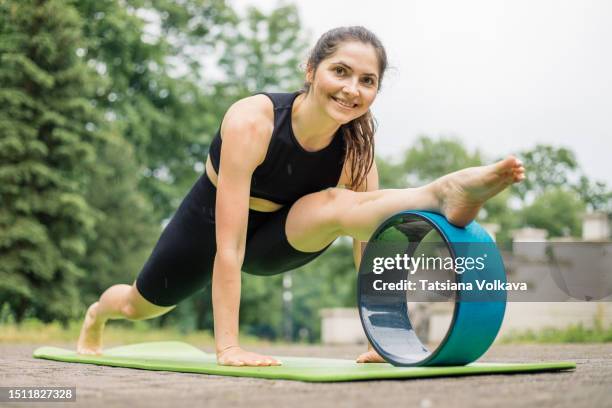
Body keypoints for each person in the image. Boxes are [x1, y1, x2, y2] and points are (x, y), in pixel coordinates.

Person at [77, 26, 525, 366]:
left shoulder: (356, 149)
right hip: (208, 228)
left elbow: (370, 243)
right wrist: (228, 346)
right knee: (137, 305)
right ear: (311, 71)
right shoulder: (252, 121)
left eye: (367, 81)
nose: (352, 89)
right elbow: (228, 247)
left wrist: (381, 337)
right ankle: (97, 314)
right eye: (341, 71)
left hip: (282, 239)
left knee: (341, 206)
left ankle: (439, 193)